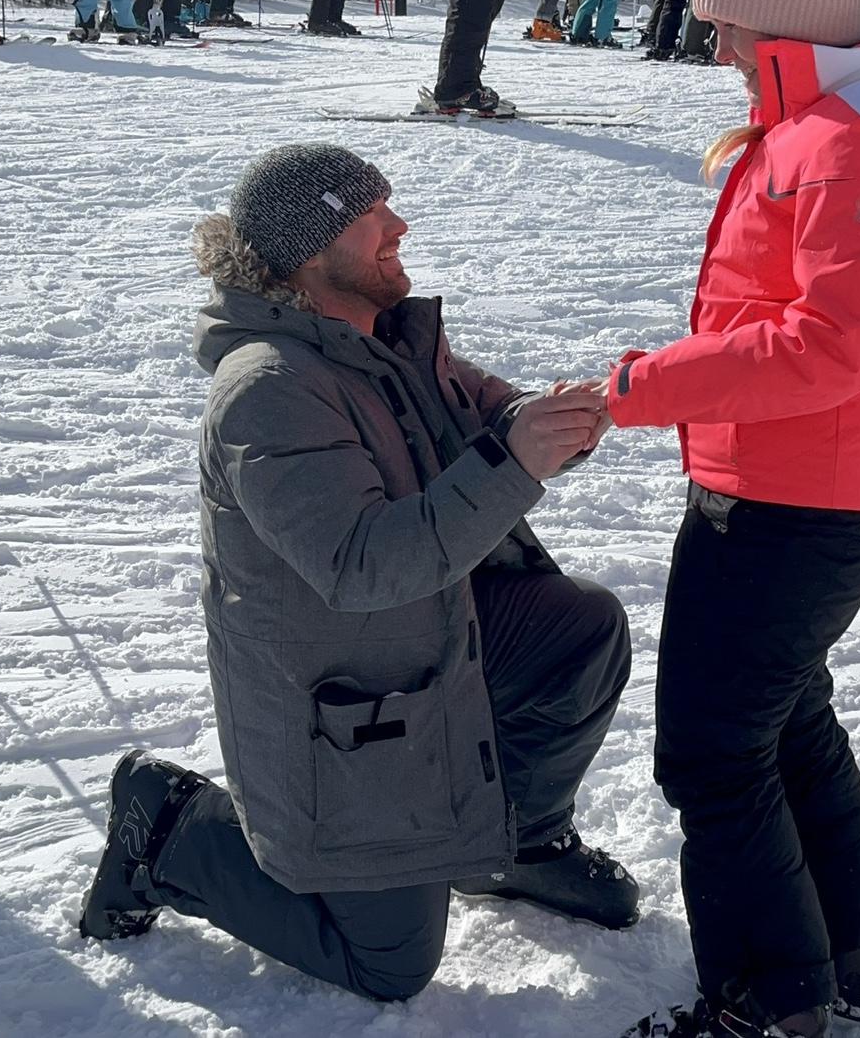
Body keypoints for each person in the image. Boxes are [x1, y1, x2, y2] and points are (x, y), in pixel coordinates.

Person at [77, 144, 640, 1000]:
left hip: (423, 638)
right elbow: (362, 565)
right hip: (339, 700)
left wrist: (548, 421)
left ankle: (517, 846)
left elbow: (486, 412)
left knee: (580, 628)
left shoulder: (379, 337)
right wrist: (515, 460)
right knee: (390, 966)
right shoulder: (268, 388)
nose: (399, 226)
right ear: (310, 253)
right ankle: (166, 828)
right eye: (373, 216)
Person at [590, 0, 860, 1034]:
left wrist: (641, 386)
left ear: (784, 16)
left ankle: (766, 1000)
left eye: (727, 24)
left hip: (798, 503)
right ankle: (850, 953)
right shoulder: (820, 118)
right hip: (782, 483)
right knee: (786, 716)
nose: (714, 46)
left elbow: (827, 345)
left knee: (714, 751)